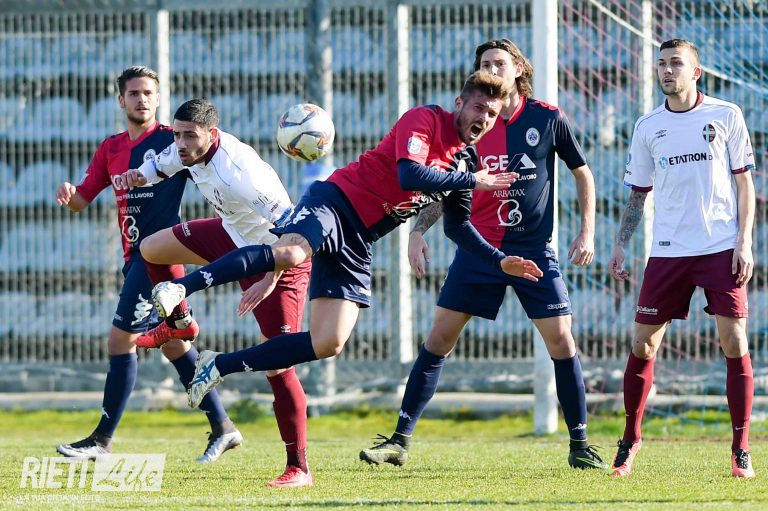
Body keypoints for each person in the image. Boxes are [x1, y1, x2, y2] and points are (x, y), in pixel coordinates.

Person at [148, 71, 544, 411]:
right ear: (460, 104)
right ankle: (180, 287)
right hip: (336, 202)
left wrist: (498, 260)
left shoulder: (465, 163)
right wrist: (473, 181)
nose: (484, 118)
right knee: (290, 252)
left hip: (359, 239)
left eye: (492, 114)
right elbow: (410, 175)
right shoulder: (425, 119)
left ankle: (218, 366)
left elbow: (457, 227)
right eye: (479, 108)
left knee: (329, 342)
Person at [359, 38, 605, 470]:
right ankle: (399, 441)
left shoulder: (547, 118)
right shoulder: (470, 128)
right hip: (479, 248)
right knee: (439, 339)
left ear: (518, 69)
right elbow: (450, 183)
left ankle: (580, 445)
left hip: (532, 249)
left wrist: (587, 232)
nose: (492, 68)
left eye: (500, 63)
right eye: (485, 63)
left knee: (562, 341)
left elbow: (582, 173)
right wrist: (419, 230)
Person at [118, 98, 314, 488]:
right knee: (152, 248)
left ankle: (298, 468)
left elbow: (292, 233)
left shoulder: (242, 174)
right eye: (177, 134)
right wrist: (137, 176)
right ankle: (180, 323)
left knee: (278, 363)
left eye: (189, 136)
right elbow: (160, 165)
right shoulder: (185, 150)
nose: (181, 143)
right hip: (230, 235)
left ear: (212, 134)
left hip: (277, 259)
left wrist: (269, 278)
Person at [54, 66, 241, 463]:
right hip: (134, 258)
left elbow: (212, 168)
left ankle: (101, 440)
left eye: (148, 93)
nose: (142, 99)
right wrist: (69, 194)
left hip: (158, 259)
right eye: (134, 93)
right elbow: (81, 200)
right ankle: (223, 426)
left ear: (158, 98)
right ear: (121, 100)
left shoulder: (174, 142)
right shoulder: (111, 148)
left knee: (119, 341)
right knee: (175, 346)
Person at [608, 39, 756, 478]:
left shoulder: (726, 115)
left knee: (734, 341)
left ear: (696, 72)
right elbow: (638, 194)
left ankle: (741, 448)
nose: (667, 70)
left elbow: (745, 184)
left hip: (720, 246)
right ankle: (630, 440)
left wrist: (744, 241)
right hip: (668, 250)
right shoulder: (647, 126)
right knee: (643, 344)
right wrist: (621, 243)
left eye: (676, 63)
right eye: (661, 64)